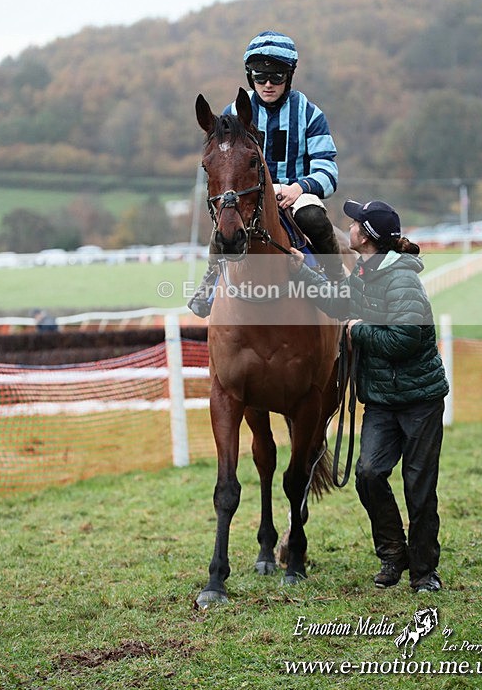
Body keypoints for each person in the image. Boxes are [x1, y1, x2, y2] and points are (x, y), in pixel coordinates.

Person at [289, 199, 449, 593]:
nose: (351, 226)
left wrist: (357, 331)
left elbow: (407, 338)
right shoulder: (363, 271)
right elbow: (338, 298)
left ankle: (425, 572)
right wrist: (301, 270)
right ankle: (394, 554)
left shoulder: (402, 280)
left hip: (419, 400)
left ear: (368, 236)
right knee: (368, 474)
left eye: (357, 222)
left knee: (419, 487)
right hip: (380, 398)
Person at [188, 30, 342, 317]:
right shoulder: (232, 112)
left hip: (296, 195)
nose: (268, 84)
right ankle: (209, 281)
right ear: (250, 77)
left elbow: (328, 170)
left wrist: (300, 187)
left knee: (314, 218)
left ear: (289, 76)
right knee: (225, 222)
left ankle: (339, 283)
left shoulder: (310, 114)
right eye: (260, 77)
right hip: (249, 195)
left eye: (277, 77)